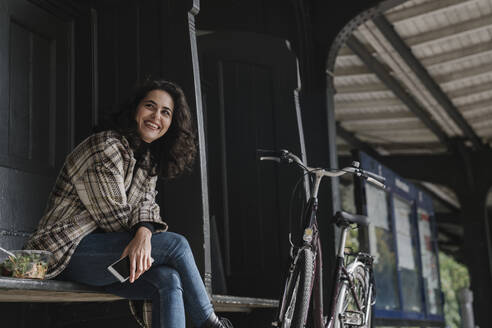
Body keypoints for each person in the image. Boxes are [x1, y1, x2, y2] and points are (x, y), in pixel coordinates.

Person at [24, 78, 233, 328]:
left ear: (171, 123)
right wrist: (144, 234)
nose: (156, 116)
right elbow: (113, 216)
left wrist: (144, 232)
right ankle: (211, 323)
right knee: (176, 245)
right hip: (64, 252)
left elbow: (147, 206)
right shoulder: (105, 146)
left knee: (168, 279)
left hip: (107, 259)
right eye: (150, 106)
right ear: (135, 109)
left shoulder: (147, 160)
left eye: (165, 112)